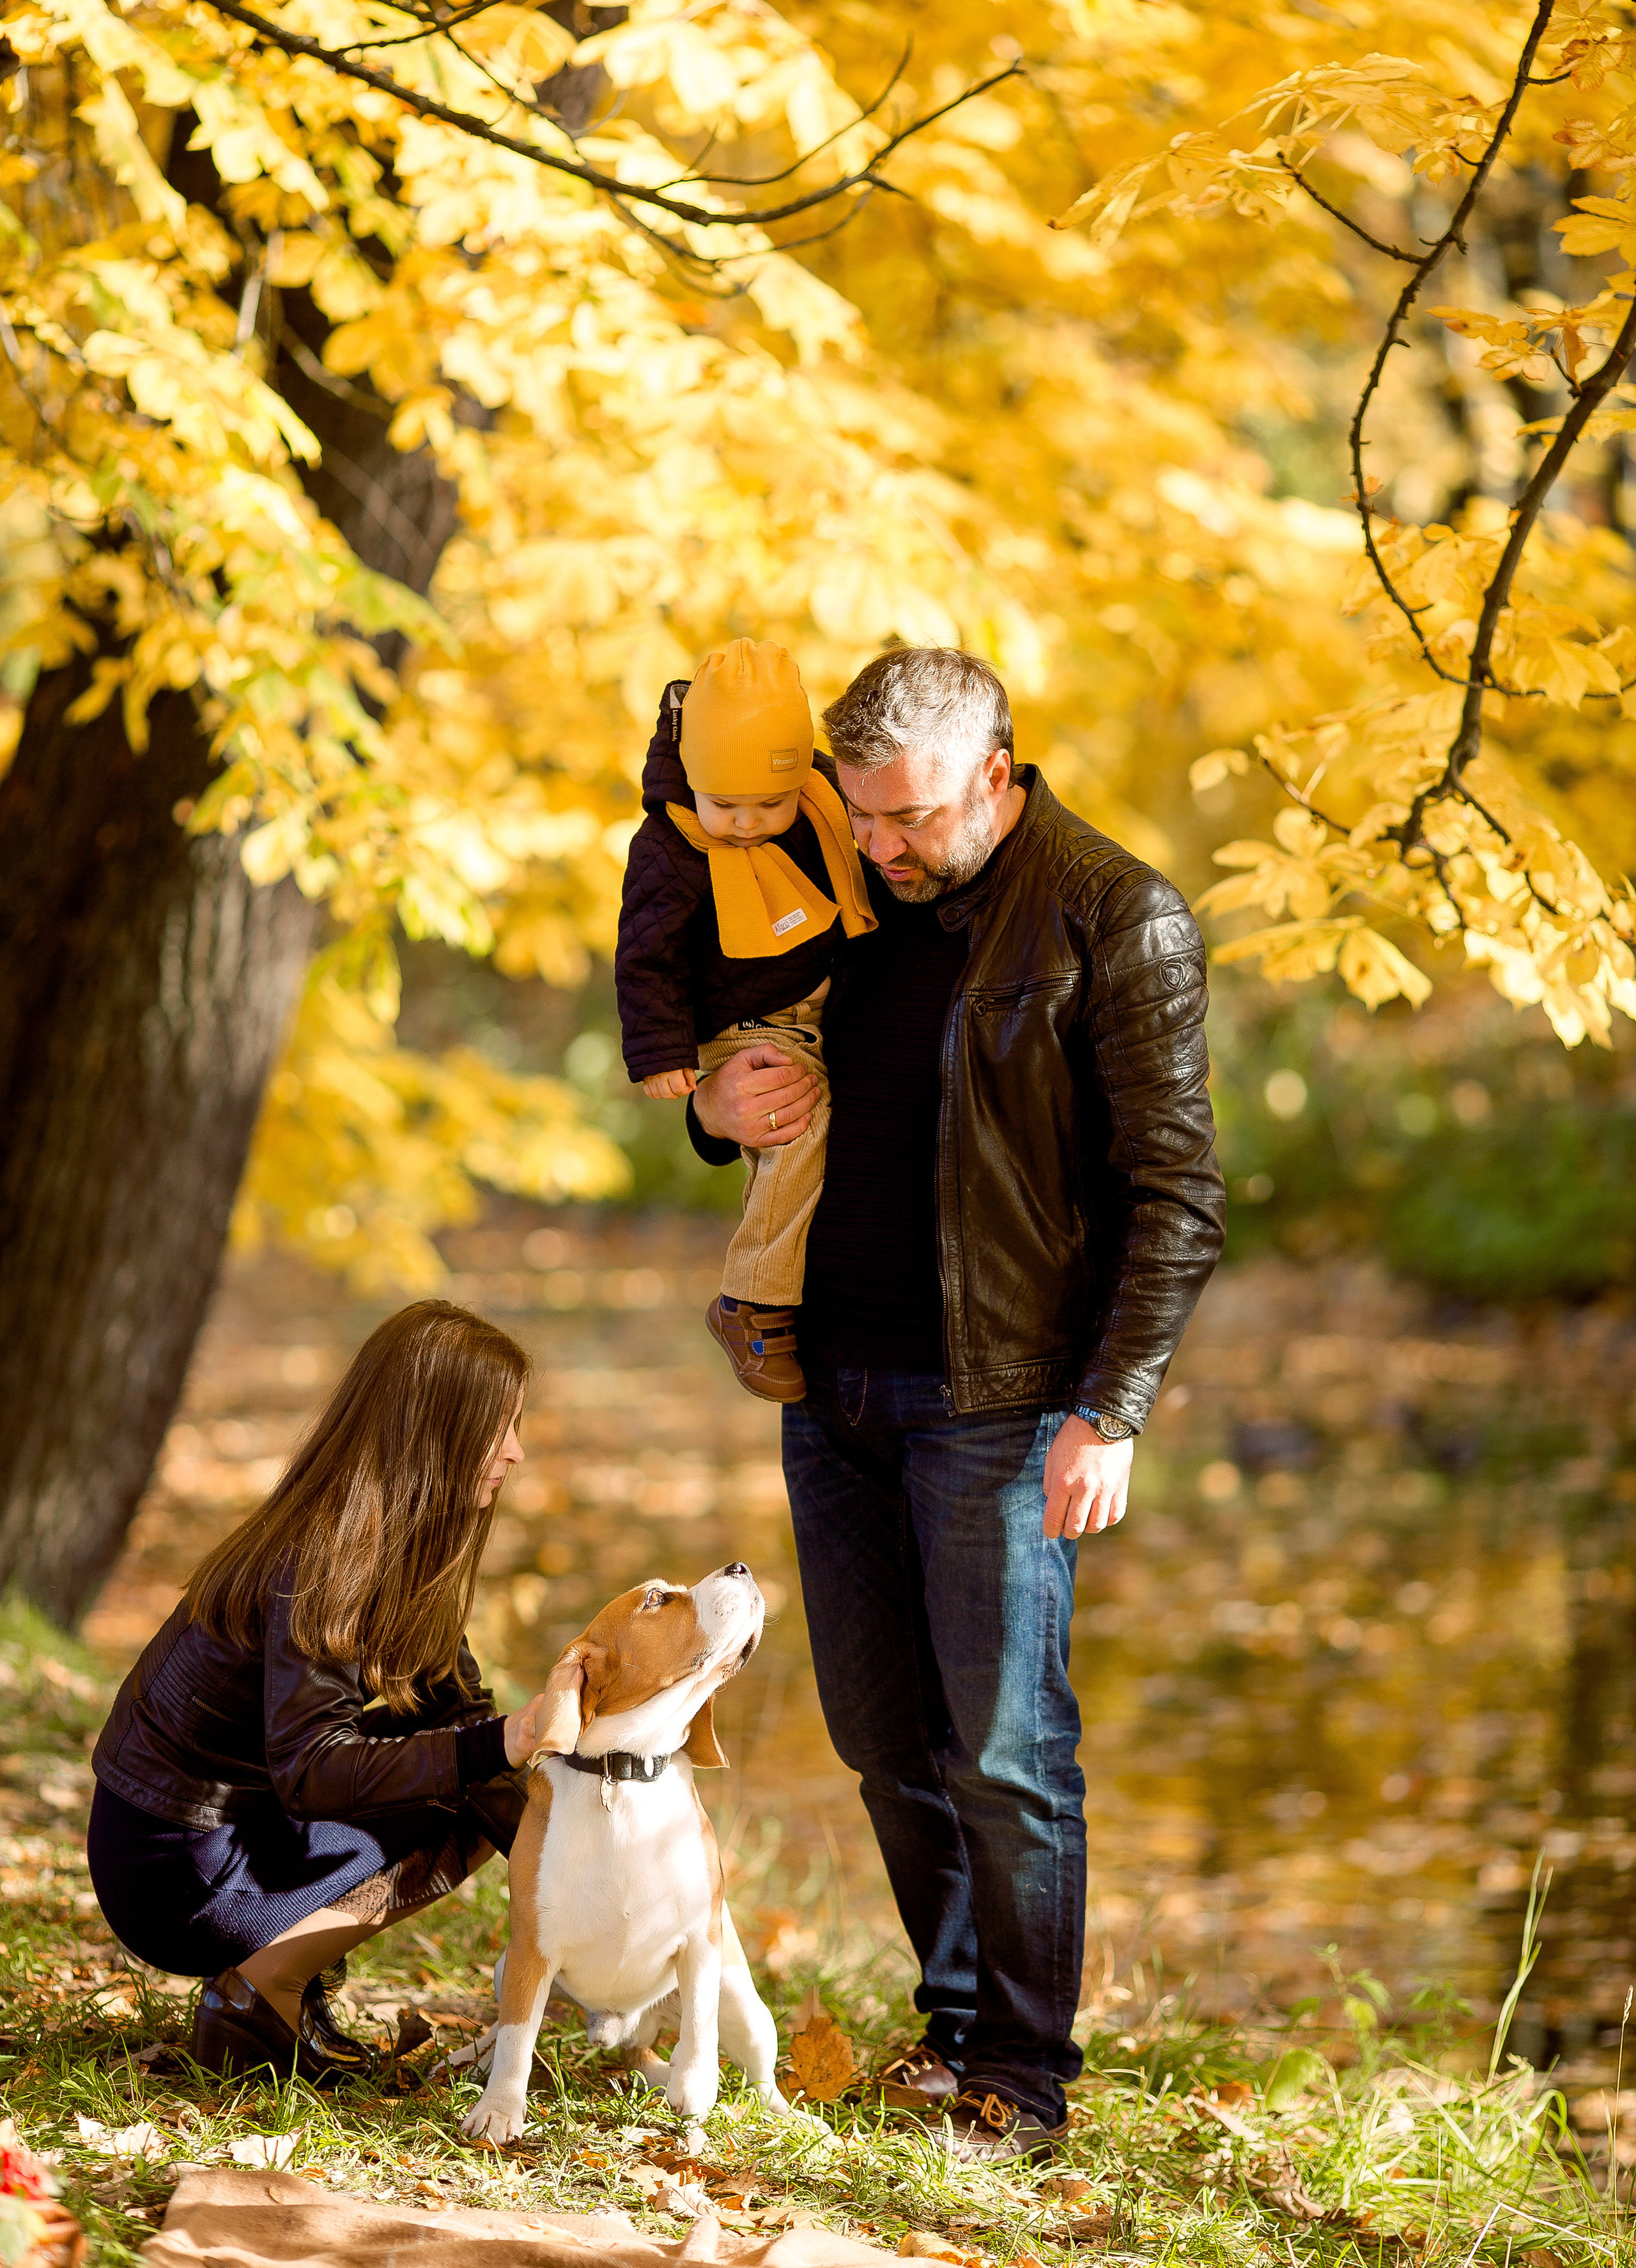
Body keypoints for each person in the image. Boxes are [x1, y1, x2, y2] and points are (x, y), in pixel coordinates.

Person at [686, 648, 1226, 2159]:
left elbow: (1176, 1193)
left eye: (907, 817)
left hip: (997, 1394)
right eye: (859, 817)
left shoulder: (1116, 917)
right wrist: (703, 1108)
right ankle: (949, 2025)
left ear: (995, 771)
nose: (880, 847)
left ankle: (1024, 2073)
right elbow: (752, 1058)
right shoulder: (848, 898)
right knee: (878, 1728)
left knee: (1003, 1747)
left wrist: (1108, 1406)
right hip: (827, 1385)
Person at [87, 1300, 557, 2080]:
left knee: (481, 1783)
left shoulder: (388, 1545)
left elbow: (462, 1715)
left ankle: (275, 1985)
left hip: (205, 1837)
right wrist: (494, 1748)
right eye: (498, 1426)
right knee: (460, 1791)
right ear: (435, 1432)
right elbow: (311, 1772)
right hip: (171, 1868)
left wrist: (574, 1868)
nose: (515, 1451)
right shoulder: (331, 1560)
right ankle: (262, 1993)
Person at [615, 639, 874, 1404]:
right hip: (745, 1016)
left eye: (770, 803)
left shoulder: (827, 806)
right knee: (797, 1123)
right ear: (693, 779)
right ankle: (751, 1299)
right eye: (725, 805)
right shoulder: (669, 847)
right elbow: (645, 957)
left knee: (801, 1129)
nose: (746, 825)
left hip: (814, 999)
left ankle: (773, 1286)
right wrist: (663, 1051)